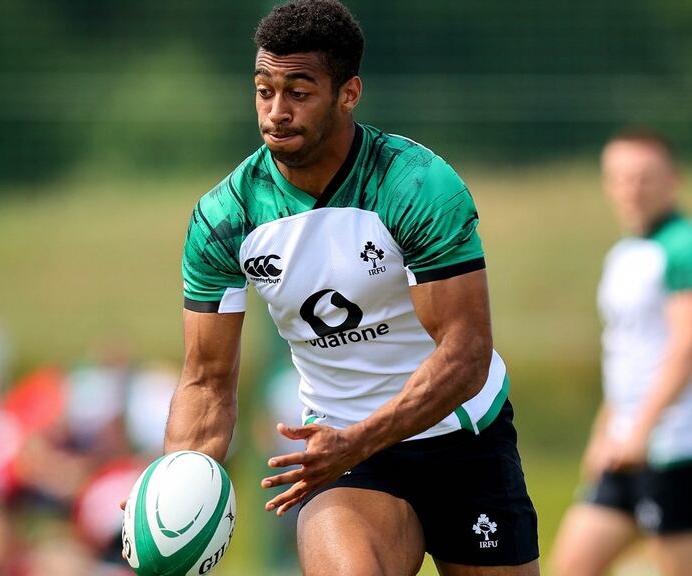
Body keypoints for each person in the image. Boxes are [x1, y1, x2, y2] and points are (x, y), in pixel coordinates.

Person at [162, 1, 540, 574]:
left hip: (463, 436)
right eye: (264, 90)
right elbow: (207, 382)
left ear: (349, 93)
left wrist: (362, 438)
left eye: (299, 92)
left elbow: (465, 356)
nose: (276, 111)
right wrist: (174, 490)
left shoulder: (415, 186)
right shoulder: (226, 216)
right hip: (340, 458)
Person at [551, 129, 692, 576]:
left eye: (645, 178)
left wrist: (643, 430)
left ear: (673, 179)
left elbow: (690, 343)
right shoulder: (625, 253)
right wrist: (606, 430)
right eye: (621, 178)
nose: (632, 189)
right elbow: (629, 357)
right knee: (571, 565)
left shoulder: (689, 245)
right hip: (627, 446)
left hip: (679, 445)